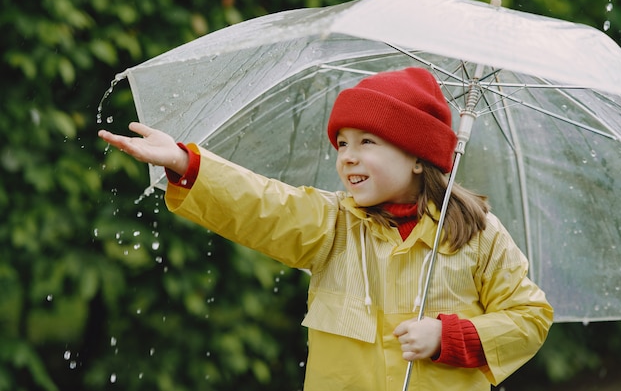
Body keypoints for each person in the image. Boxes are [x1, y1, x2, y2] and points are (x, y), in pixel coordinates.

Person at [98, 67, 553, 390]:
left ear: (419, 157)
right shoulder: (331, 223)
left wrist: (449, 338)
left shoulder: (477, 235)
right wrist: (184, 162)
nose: (348, 156)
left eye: (367, 142)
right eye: (342, 144)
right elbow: (262, 205)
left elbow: (529, 317)